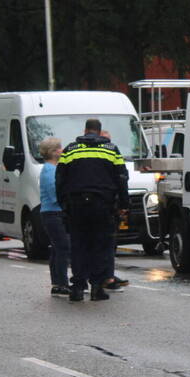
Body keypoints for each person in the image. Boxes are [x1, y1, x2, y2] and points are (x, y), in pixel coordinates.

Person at [56, 119, 129, 302]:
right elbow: (121, 178)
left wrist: (63, 204)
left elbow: (60, 179)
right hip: (103, 206)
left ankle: (78, 288)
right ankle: (97, 288)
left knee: (79, 245)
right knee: (100, 246)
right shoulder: (111, 150)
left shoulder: (70, 150)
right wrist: (124, 205)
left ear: (85, 130)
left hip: (77, 206)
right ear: (99, 131)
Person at [37, 137, 70, 296]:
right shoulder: (50, 171)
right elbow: (54, 193)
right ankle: (61, 283)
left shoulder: (49, 169)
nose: (62, 150)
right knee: (63, 247)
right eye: (59, 148)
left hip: (50, 212)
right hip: (53, 213)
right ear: (54, 151)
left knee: (58, 248)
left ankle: (57, 282)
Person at [98, 129, 128, 291]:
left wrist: (123, 205)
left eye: (109, 140)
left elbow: (123, 177)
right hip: (102, 206)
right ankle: (102, 277)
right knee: (101, 243)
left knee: (110, 244)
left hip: (112, 206)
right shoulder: (99, 157)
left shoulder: (113, 153)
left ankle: (108, 275)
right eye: (104, 139)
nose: (107, 143)